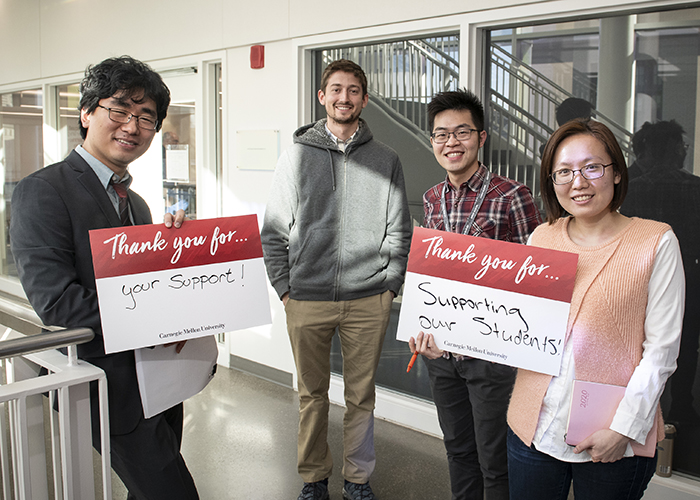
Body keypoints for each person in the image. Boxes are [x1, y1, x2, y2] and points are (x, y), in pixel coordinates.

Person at [10, 56, 198, 500]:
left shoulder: (137, 205)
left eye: (146, 116)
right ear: (87, 112)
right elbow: (58, 305)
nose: (132, 126)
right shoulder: (44, 190)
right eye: (119, 109)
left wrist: (178, 250)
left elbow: (145, 287)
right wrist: (157, 321)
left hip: (161, 380)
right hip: (105, 382)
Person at [507, 118, 684, 500]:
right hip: (532, 428)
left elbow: (661, 352)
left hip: (611, 435)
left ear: (617, 172)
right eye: (564, 172)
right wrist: (451, 337)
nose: (579, 182)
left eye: (592, 167)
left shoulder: (655, 241)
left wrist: (624, 429)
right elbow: (515, 324)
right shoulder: (542, 236)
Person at [260, 59, 412, 500]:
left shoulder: (386, 159)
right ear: (323, 97)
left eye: (353, 91)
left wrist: (390, 284)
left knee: (362, 397)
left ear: (364, 100)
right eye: (336, 89)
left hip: (369, 298)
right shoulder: (297, 157)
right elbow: (273, 230)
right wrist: (285, 289)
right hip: (306, 298)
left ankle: (358, 479)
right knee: (312, 395)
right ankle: (314, 478)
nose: (344, 97)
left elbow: (398, 228)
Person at [408, 89, 542, 500]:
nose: (452, 142)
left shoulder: (512, 197)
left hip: (492, 357)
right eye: (441, 134)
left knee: (495, 459)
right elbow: (429, 276)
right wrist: (420, 325)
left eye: (462, 132)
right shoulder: (432, 199)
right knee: (457, 450)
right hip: (442, 354)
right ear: (432, 142)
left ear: (481, 138)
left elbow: (532, 280)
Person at [621, 120, 700, 428]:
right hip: (689, 279)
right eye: (681, 145)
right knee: (685, 343)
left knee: (637, 343)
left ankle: (641, 406)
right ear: (669, 148)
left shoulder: (628, 190)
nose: (683, 151)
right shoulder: (695, 188)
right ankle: (682, 404)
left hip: (637, 280)